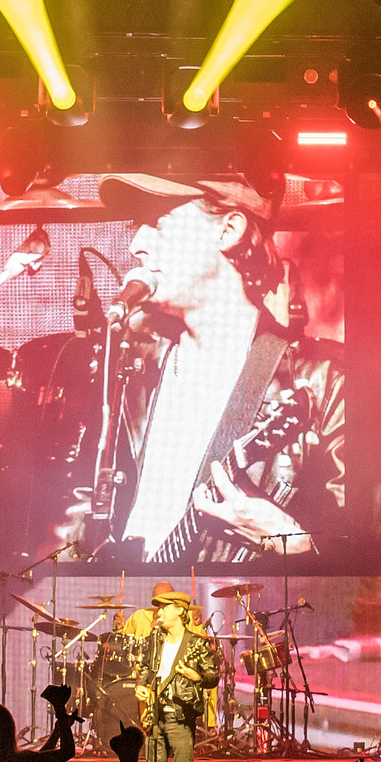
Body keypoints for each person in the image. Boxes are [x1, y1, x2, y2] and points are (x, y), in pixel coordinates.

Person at [92, 174, 346, 568]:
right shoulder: (132, 369)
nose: (136, 244)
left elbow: (377, 561)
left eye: (159, 223)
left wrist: (294, 545)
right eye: (136, 227)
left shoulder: (324, 382)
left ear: (228, 230)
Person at [128, 585, 222, 762]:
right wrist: (141, 685)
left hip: (180, 716)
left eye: (164, 608)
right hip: (155, 716)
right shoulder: (156, 638)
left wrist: (196, 676)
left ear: (180, 610)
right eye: (158, 608)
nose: (159, 612)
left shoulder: (197, 643)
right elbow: (146, 668)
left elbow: (213, 677)